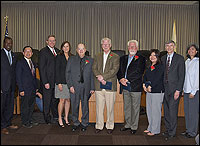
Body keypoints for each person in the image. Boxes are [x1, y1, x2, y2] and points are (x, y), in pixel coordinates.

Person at [117, 40, 146, 134]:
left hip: (135, 86)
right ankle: (128, 124)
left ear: (137, 48)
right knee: (127, 106)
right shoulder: (123, 58)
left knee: (135, 107)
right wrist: (121, 79)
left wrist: (127, 79)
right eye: (130, 46)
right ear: (128, 48)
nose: (132, 48)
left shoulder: (141, 58)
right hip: (125, 86)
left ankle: (134, 126)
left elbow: (139, 72)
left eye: (134, 46)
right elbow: (119, 70)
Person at [92, 37, 120, 134]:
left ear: (110, 45)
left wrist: (102, 77)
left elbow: (114, 70)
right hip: (98, 85)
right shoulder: (97, 55)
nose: (105, 46)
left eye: (107, 44)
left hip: (110, 85)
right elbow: (94, 68)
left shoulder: (115, 56)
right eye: (103, 44)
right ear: (101, 45)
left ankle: (110, 125)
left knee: (110, 108)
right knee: (99, 108)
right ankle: (99, 125)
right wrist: (99, 78)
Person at [66, 43, 94, 132]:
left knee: (85, 106)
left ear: (85, 50)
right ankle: (75, 123)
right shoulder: (71, 59)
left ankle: (85, 123)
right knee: (75, 105)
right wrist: (70, 86)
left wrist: (92, 87)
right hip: (74, 87)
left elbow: (92, 75)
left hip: (86, 87)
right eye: (79, 49)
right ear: (77, 50)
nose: (81, 51)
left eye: (83, 49)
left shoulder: (90, 60)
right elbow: (67, 73)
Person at [161, 40, 185, 140]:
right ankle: (168, 129)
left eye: (171, 46)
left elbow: (182, 75)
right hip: (164, 89)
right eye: (167, 46)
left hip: (174, 89)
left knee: (172, 111)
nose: (169, 48)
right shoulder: (162, 58)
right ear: (165, 47)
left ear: (174, 47)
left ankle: (172, 132)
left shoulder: (180, 58)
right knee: (166, 111)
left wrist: (178, 90)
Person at [16, 46, 39, 128]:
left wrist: (36, 87)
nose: (28, 53)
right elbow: (18, 77)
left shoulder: (32, 62)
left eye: (30, 51)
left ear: (32, 53)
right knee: (25, 106)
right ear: (23, 53)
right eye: (26, 51)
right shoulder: (20, 62)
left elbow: (34, 76)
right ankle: (25, 122)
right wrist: (21, 89)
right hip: (25, 89)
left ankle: (29, 120)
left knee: (31, 106)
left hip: (32, 89)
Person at [143, 49, 164, 136]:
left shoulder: (161, 66)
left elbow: (158, 78)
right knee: (149, 110)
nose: (152, 57)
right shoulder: (149, 66)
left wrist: (150, 86)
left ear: (158, 57)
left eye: (154, 55)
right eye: (151, 55)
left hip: (157, 91)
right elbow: (145, 76)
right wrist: (144, 85)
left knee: (156, 112)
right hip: (149, 91)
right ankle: (150, 127)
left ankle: (155, 130)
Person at [39, 35, 59, 124]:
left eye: (53, 41)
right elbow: (41, 68)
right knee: (47, 101)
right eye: (50, 41)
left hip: (56, 82)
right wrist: (45, 82)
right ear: (47, 41)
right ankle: (46, 118)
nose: (52, 42)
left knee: (55, 100)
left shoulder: (58, 51)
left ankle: (55, 116)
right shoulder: (43, 52)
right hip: (47, 82)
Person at [1, 36, 18, 134]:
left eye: (10, 43)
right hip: (2, 86)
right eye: (7, 43)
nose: (9, 45)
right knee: (2, 106)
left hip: (11, 86)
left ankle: (8, 123)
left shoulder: (14, 55)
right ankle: (3, 126)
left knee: (10, 106)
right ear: (4, 44)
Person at [181, 44, 199, 138]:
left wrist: (193, 91)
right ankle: (188, 130)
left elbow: (197, 78)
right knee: (187, 112)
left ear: (196, 51)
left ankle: (193, 132)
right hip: (186, 90)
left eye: (193, 49)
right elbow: (185, 77)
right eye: (189, 49)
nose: (190, 50)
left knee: (193, 113)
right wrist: (184, 89)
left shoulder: (197, 62)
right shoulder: (187, 61)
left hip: (194, 92)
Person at [55, 41, 73, 128]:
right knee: (61, 100)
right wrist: (58, 83)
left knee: (68, 100)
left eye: (67, 46)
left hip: (69, 82)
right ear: (62, 48)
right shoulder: (59, 57)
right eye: (64, 46)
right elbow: (56, 70)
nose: (66, 48)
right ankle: (60, 118)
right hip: (61, 82)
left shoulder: (72, 57)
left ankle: (66, 117)